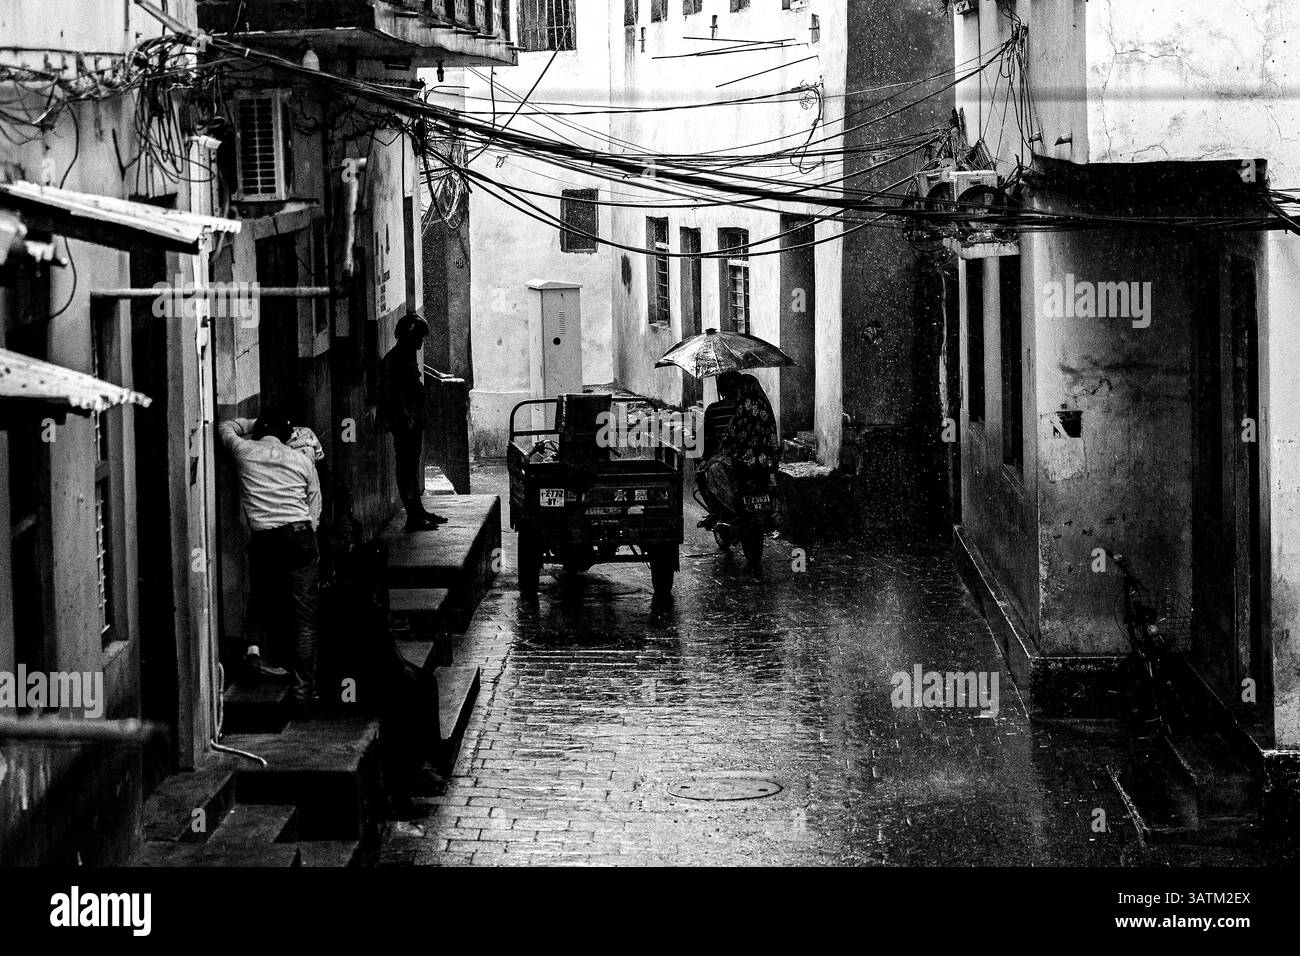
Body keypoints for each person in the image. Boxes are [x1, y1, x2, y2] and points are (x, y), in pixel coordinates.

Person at [218, 408, 321, 712]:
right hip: (300, 535)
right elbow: (314, 505)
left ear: (259, 432)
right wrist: (307, 535)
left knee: (259, 598)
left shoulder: (244, 450)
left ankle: (254, 653)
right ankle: (303, 694)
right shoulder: (302, 460)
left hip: (265, 538)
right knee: (304, 618)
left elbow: (225, 427)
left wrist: (253, 424)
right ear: (289, 435)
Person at [378, 313, 447, 532]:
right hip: (405, 424)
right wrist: (407, 418)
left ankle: (417, 511)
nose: (421, 343)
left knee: (411, 467)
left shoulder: (404, 356)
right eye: (419, 338)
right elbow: (393, 396)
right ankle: (413, 516)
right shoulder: (395, 360)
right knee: (406, 468)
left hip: (412, 422)